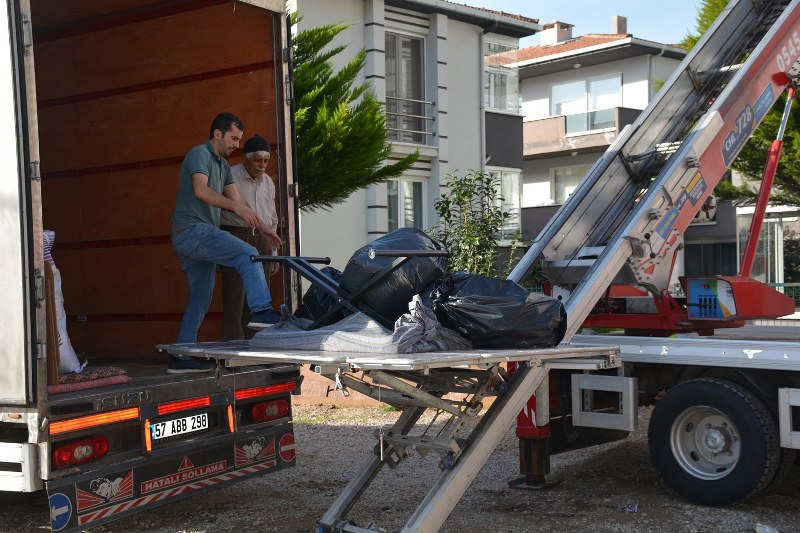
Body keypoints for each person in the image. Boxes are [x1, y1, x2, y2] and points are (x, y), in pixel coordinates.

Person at [169, 113, 282, 374]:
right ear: (217, 134)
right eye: (233, 138)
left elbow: (240, 203)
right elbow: (201, 190)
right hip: (192, 231)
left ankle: (181, 357)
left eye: (239, 140)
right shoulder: (199, 155)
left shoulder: (221, 165)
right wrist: (235, 207)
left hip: (197, 239)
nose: (235, 144)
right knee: (249, 254)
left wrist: (265, 230)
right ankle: (262, 312)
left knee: (200, 297)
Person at [220, 134, 280, 340]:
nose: (262, 165)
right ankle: (232, 354)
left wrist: (273, 252)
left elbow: (272, 219)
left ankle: (256, 352)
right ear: (245, 158)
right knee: (234, 298)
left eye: (266, 161)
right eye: (258, 160)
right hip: (236, 238)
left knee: (259, 305)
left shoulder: (268, 183)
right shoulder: (229, 174)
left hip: (262, 242)